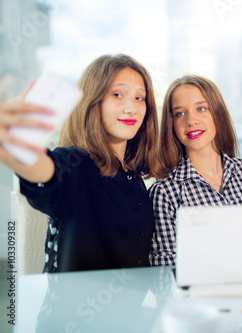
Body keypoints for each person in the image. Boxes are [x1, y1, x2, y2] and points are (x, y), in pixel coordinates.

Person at [0, 54, 161, 272]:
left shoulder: (133, 175)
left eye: (139, 98)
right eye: (117, 94)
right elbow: (44, 169)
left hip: (133, 305)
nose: (130, 107)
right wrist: (16, 143)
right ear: (93, 102)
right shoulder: (74, 164)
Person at [149, 75, 242, 266]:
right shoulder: (164, 192)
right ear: (171, 125)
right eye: (180, 113)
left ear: (217, 114)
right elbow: (164, 273)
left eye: (201, 109)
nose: (191, 120)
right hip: (198, 295)